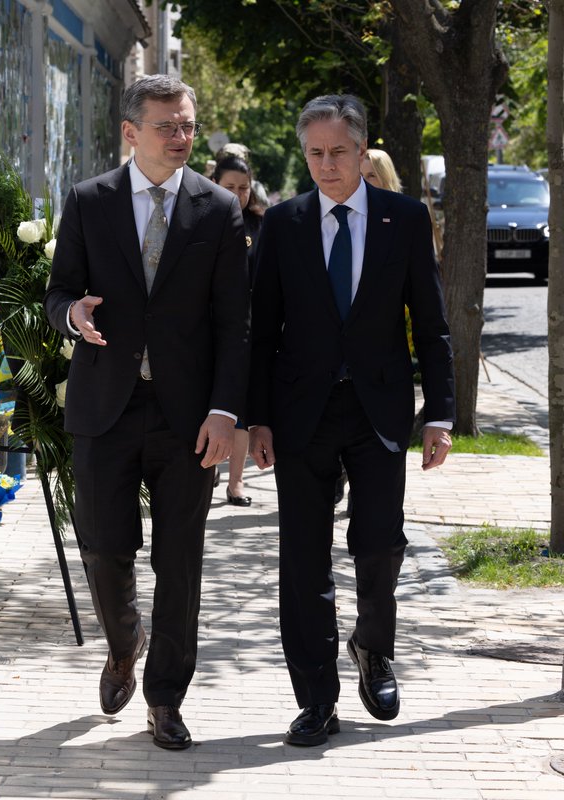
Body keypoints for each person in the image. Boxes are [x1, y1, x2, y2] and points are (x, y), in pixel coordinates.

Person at [44, 74, 250, 750]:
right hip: (106, 405)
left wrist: (226, 411)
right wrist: (73, 315)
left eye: (188, 124)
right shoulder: (88, 201)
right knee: (105, 551)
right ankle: (123, 638)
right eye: (167, 125)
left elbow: (233, 323)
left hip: (188, 416)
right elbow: (58, 294)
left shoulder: (218, 210)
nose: (182, 136)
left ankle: (165, 699)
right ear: (132, 132)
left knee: (180, 561)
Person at [247, 95, 454, 747]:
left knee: (379, 543)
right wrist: (255, 418)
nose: (327, 164)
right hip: (300, 411)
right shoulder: (283, 225)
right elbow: (261, 331)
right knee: (303, 560)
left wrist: (440, 412)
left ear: (363, 153)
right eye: (315, 153)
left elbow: (431, 321)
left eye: (339, 152)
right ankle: (316, 698)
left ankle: (374, 645)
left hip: (379, 409)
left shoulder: (404, 218)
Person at [210, 153, 265, 508]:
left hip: (249, 327)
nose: (238, 194)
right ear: (215, 184)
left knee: (241, 408)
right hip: (207, 327)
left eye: (243, 188)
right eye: (230, 187)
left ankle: (237, 481)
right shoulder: (202, 218)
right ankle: (208, 468)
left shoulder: (260, 224)